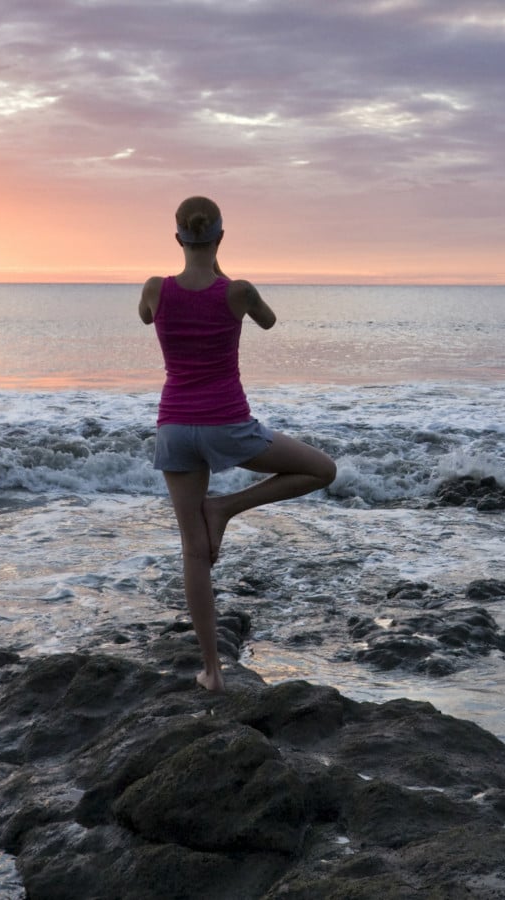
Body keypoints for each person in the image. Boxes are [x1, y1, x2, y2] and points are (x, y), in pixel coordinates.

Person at [138, 196, 337, 692]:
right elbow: (268, 321)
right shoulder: (239, 292)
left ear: (179, 237)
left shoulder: (155, 289)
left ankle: (212, 670)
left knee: (193, 552)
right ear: (221, 238)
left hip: (176, 428)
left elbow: (146, 317)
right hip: (228, 424)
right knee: (322, 470)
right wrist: (224, 274)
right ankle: (226, 507)